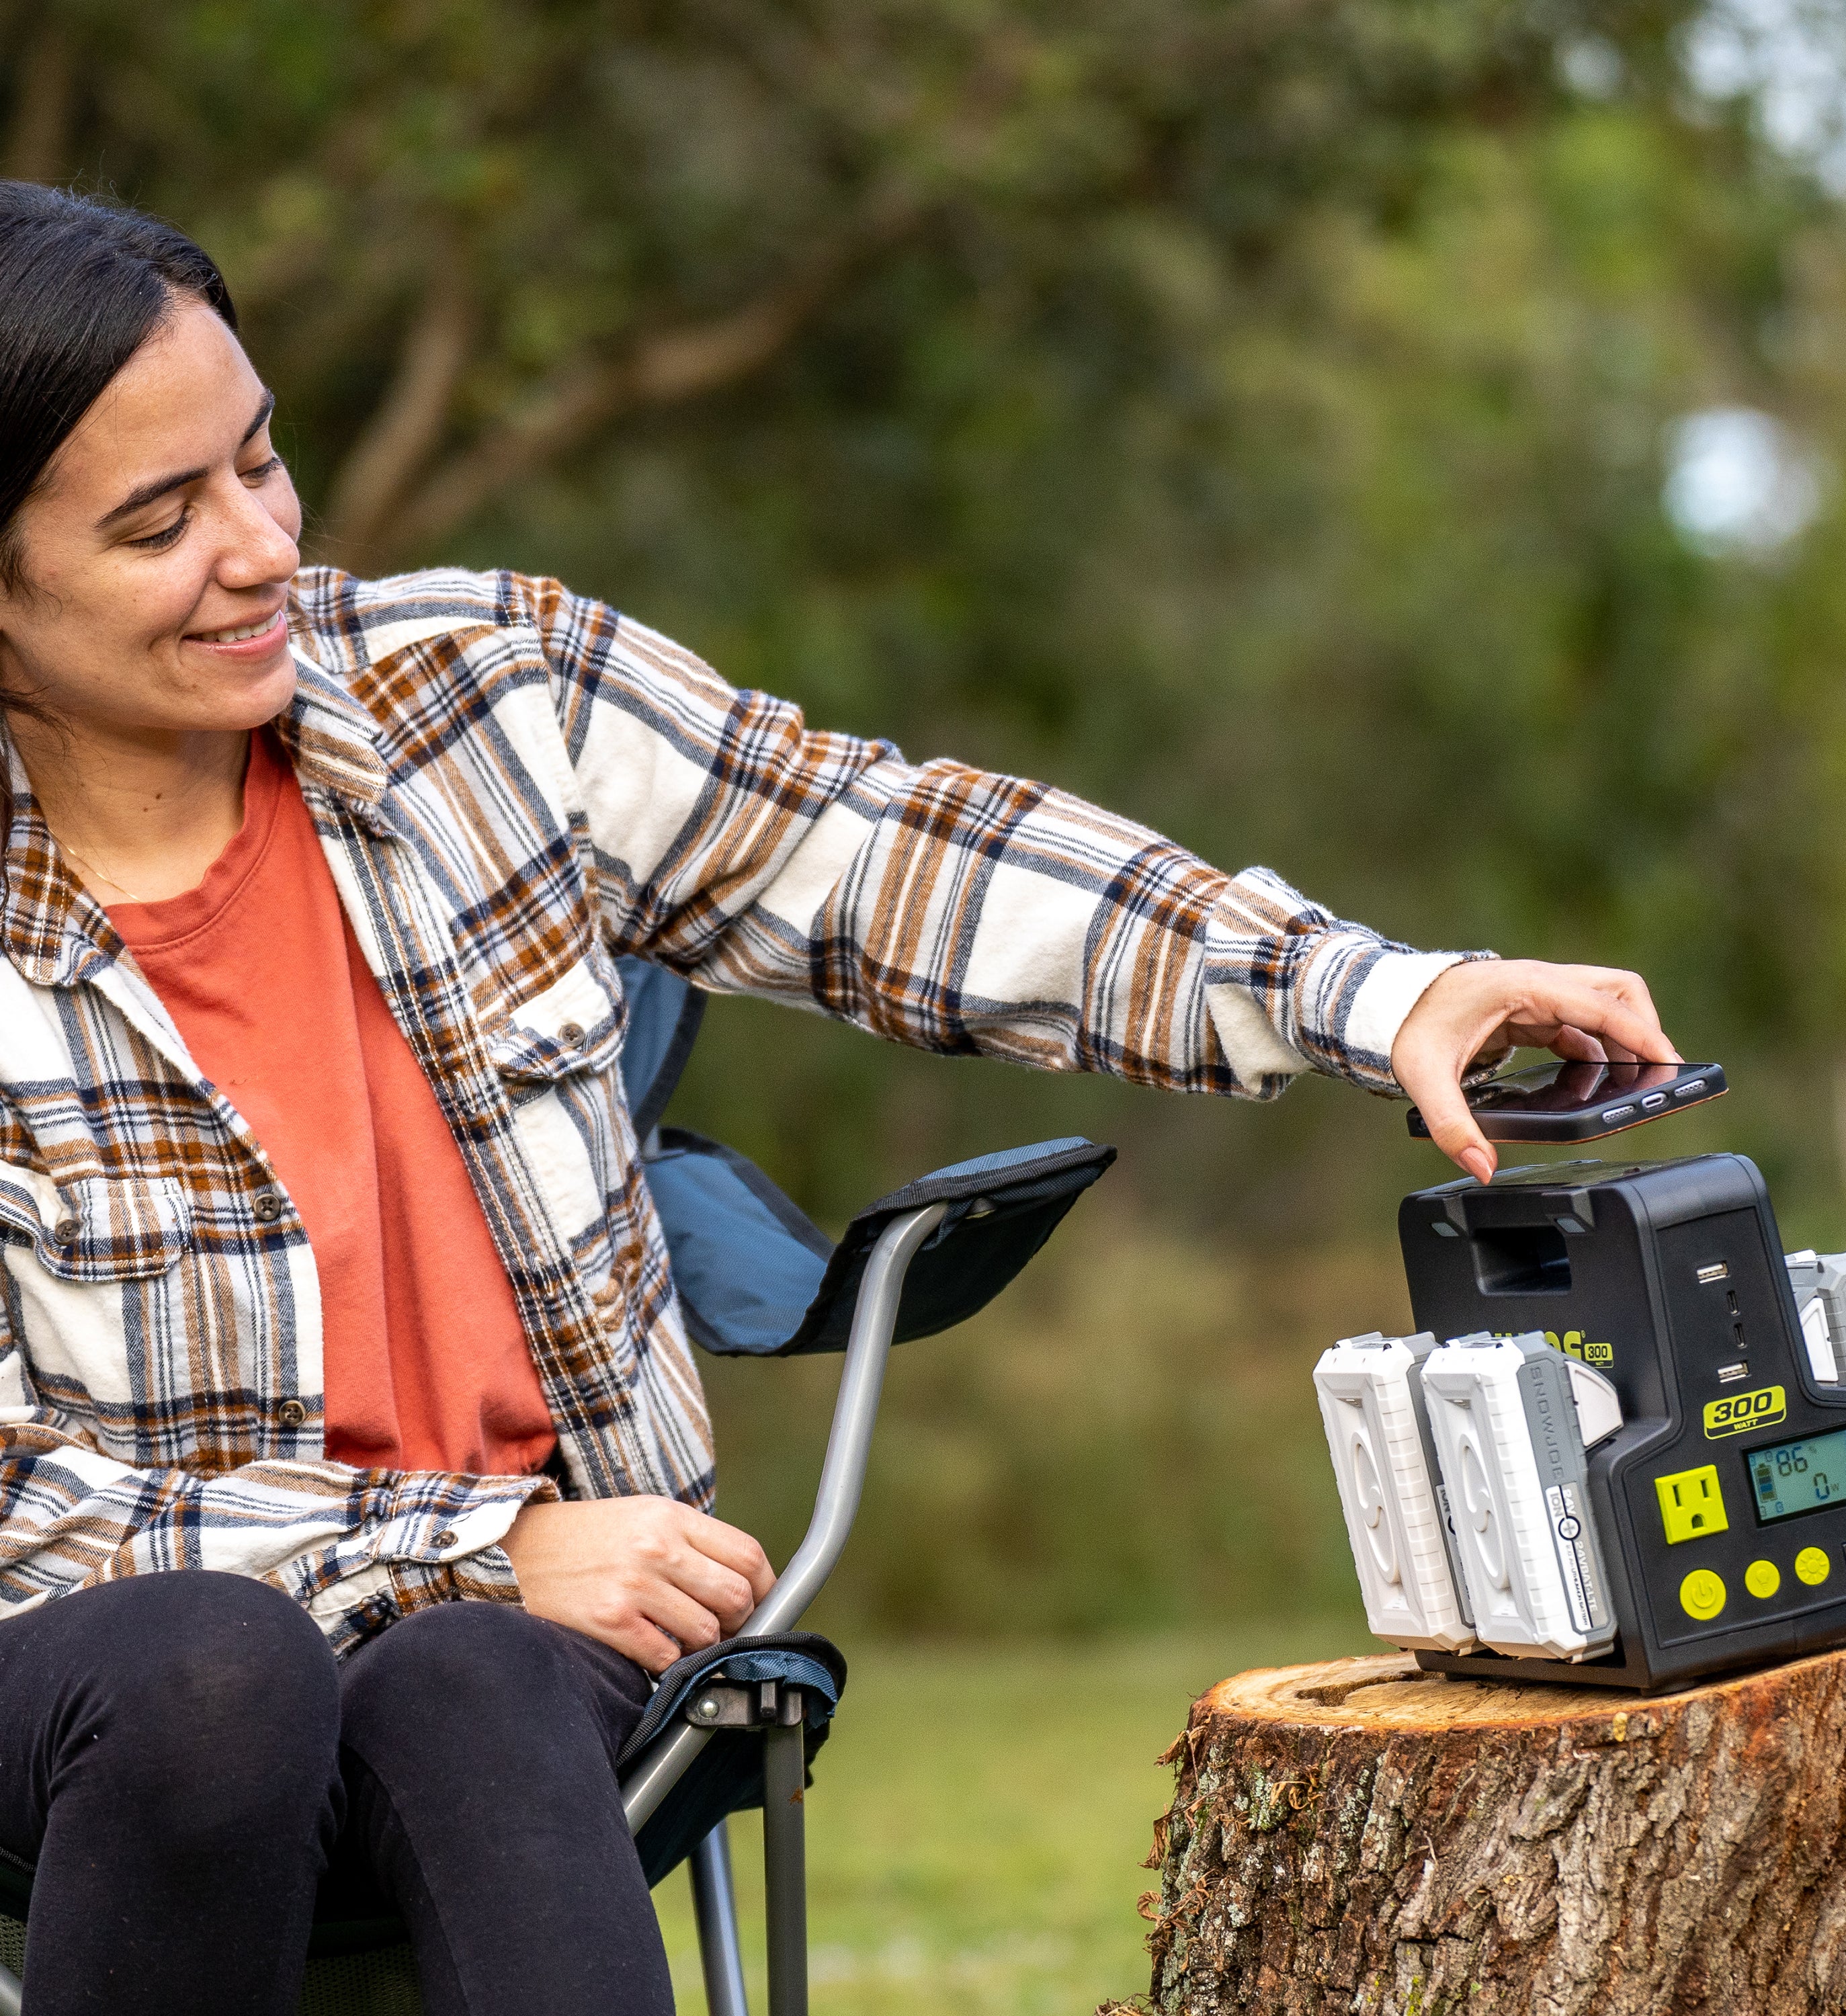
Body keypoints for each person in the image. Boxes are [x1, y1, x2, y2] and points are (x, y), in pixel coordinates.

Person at [0, 181, 1675, 2016]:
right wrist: (473, 1546)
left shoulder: (470, 700)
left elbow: (886, 855)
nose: (258, 551)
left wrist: (1373, 988)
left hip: (528, 1660)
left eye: (260, 463)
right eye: (161, 521)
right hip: (101, 1693)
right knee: (211, 1673)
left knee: (463, 1678)